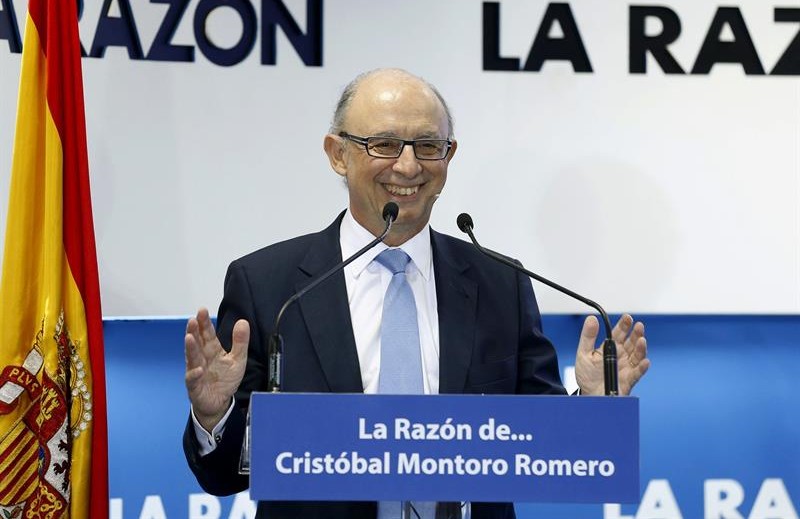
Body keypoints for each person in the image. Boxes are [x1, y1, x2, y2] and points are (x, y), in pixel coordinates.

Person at [182, 68, 650, 519]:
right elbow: (226, 476)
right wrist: (214, 414)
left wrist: (591, 409)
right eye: (384, 145)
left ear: (449, 155)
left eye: (428, 146)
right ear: (338, 154)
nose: (408, 166)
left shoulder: (500, 283)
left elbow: (536, 447)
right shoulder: (270, 286)